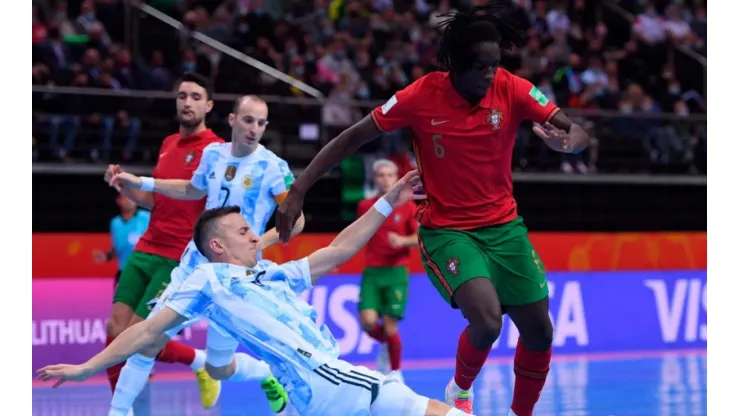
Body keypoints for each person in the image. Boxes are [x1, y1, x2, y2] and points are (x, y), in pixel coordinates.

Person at [275, 5, 589, 415]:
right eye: (481, 67)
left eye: (495, 65)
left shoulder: (512, 88)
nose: (490, 74)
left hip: (505, 228)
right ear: (456, 65)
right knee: (489, 321)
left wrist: (567, 142)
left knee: (540, 331)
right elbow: (353, 137)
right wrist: (299, 189)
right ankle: (459, 391)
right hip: (449, 232)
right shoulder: (421, 96)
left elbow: (576, 130)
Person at [38, 172, 476, 416]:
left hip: (316, 391)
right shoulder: (209, 281)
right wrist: (86, 368)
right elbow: (146, 333)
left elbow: (340, 248)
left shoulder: (272, 273)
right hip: (324, 377)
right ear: (217, 247)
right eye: (245, 231)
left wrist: (389, 200)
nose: (256, 236)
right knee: (434, 411)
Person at [107, 95, 302, 415]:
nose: (254, 128)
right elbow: (192, 190)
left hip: (235, 279)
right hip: (194, 267)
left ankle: (264, 373)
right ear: (232, 120)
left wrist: (258, 244)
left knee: (218, 368)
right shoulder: (213, 154)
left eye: (261, 123)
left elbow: (297, 220)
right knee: (148, 340)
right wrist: (141, 181)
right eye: (248, 120)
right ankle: (118, 411)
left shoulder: (273, 167)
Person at [101, 72, 223, 408]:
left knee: (141, 339)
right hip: (146, 248)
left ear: (208, 105)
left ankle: (200, 363)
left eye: (196, 97)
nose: (187, 102)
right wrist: (125, 185)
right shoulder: (168, 143)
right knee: (114, 330)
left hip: (177, 256)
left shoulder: (215, 150)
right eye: (182, 96)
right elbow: (156, 200)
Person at [357, 159, 418, 378]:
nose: (385, 179)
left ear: (396, 178)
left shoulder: (408, 207)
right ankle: (387, 346)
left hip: (396, 272)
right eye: (380, 175)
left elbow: (421, 237)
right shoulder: (365, 206)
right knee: (368, 322)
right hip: (372, 272)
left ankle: (395, 372)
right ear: (374, 178)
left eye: (389, 175)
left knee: (391, 325)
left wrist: (402, 241)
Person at [92, 194, 151, 288]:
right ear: (119, 200)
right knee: (118, 301)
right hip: (123, 272)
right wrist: (106, 256)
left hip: (144, 271)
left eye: (132, 197)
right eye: (126, 197)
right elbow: (117, 248)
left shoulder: (147, 217)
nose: (129, 200)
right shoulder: (115, 223)